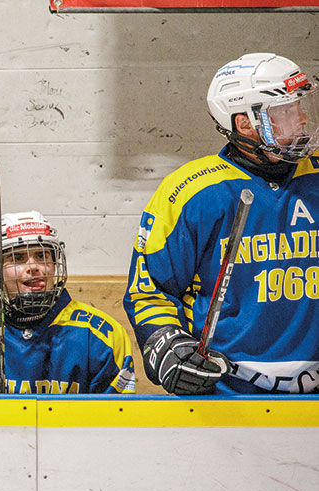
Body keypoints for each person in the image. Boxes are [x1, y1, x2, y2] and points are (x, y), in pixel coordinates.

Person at [124, 53, 319, 394]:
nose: (302, 119)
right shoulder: (190, 192)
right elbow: (149, 289)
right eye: (286, 111)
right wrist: (169, 347)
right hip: (225, 391)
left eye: (299, 106)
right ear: (246, 123)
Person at [0, 211, 136, 394]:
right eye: (17, 258)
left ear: (55, 264)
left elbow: (114, 427)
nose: (33, 267)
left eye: (42, 256)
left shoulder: (102, 336)